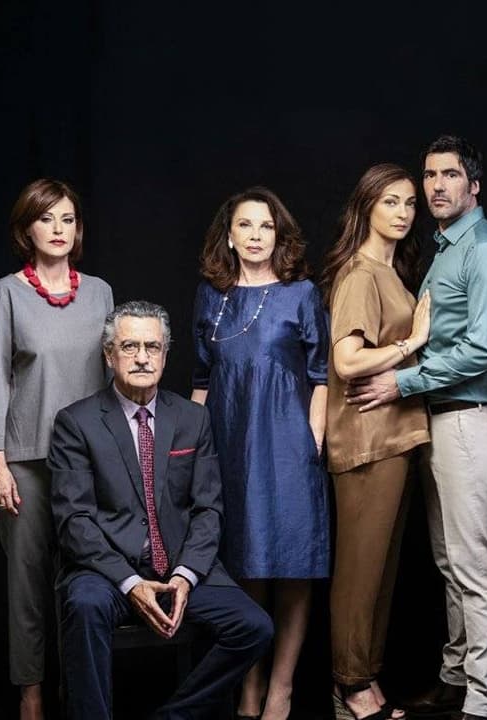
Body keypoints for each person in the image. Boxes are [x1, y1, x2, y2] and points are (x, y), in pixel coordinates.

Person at [346, 136, 487, 720]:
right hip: (439, 421)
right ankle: (456, 677)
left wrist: (401, 382)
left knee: (473, 563)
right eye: (430, 175)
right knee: (449, 561)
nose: (437, 185)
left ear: (475, 185)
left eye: (451, 174)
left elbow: (483, 350)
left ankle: (484, 699)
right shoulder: (444, 248)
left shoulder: (484, 248)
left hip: (470, 419)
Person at [49, 301, 274, 719]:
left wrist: (185, 575)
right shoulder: (76, 423)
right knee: (84, 605)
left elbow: (209, 509)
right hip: (107, 571)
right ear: (109, 355)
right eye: (129, 346)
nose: (141, 357)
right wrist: (131, 582)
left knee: (254, 627)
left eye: (152, 347)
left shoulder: (193, 419)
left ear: (165, 355)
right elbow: (74, 522)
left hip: (178, 566)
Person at [0, 178, 114, 720]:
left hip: (89, 463)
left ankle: (76, 690)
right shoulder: (6, 294)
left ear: (78, 229)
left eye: (67, 219)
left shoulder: (99, 293)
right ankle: (30, 692)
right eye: (46, 218)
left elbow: (114, 379)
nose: (58, 229)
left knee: (84, 579)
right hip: (26, 461)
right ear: (26, 229)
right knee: (28, 585)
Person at [190, 187, 329, 720]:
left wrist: (313, 440)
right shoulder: (211, 295)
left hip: (290, 443)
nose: (255, 235)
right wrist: (192, 452)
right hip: (229, 443)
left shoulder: (301, 293)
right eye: (245, 225)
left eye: (266, 226)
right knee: (245, 563)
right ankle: (249, 685)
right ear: (229, 236)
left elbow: (321, 376)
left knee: (294, 565)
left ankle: (281, 690)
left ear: (279, 235)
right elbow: (201, 379)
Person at [319, 163, 432, 720]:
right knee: (361, 571)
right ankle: (350, 687)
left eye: (410, 203)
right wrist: (414, 342)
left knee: (382, 572)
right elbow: (346, 361)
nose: (403, 213)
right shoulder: (361, 274)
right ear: (366, 206)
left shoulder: (390, 272)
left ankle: (365, 678)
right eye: (390, 201)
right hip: (367, 440)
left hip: (395, 437)